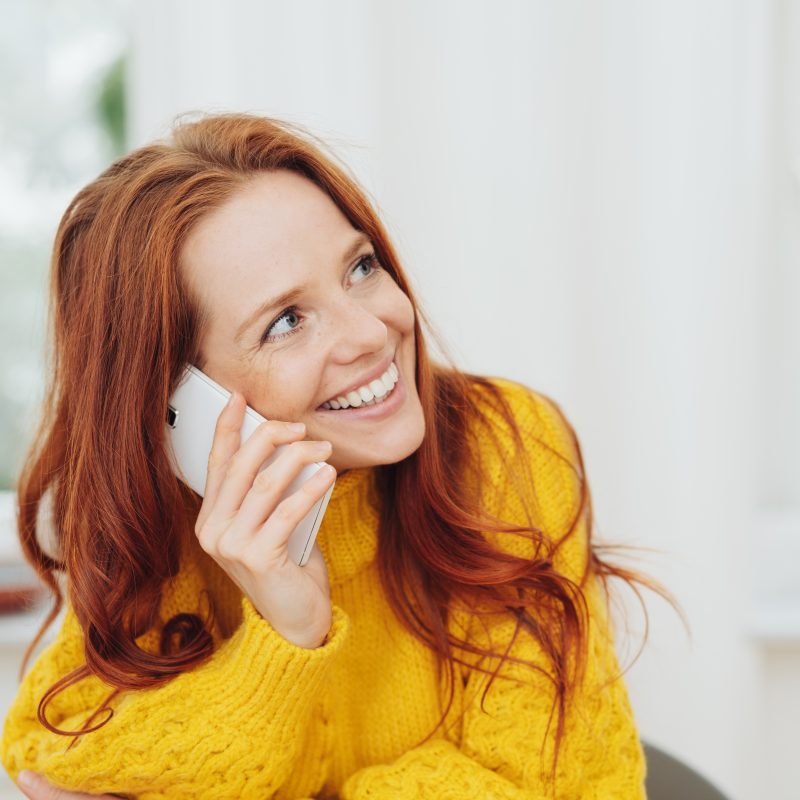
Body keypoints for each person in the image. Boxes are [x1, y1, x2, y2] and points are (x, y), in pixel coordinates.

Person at [1, 113, 670, 799]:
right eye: (286, 321)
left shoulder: (504, 445)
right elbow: (45, 753)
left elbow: (552, 785)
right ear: (179, 398)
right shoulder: (168, 525)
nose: (372, 331)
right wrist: (287, 635)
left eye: (360, 267)